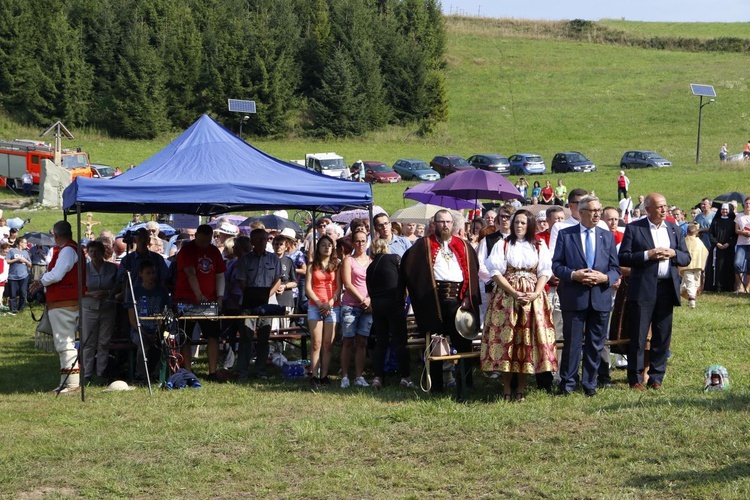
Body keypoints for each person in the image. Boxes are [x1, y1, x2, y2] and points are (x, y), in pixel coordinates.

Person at [401, 209, 481, 394]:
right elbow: (409, 268)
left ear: (453, 224)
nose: (445, 225)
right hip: (433, 300)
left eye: (448, 222)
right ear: (434, 224)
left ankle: (465, 384)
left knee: (463, 342)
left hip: (459, 302)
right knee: (434, 343)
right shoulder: (423, 245)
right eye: (441, 221)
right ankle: (436, 386)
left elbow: (472, 273)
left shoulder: (463, 245)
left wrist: (468, 295)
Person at [481, 209, 556, 401]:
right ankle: (507, 388)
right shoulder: (503, 244)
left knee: (527, 342)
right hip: (507, 298)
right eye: (516, 223)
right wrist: (514, 292)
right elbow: (496, 272)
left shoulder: (539, 245)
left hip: (533, 298)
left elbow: (544, 272)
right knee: (509, 341)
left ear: (529, 225)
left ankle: (521, 388)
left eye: (523, 223)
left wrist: (535, 293)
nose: (519, 226)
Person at [618, 193, 690, 390]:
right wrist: (647, 255)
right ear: (647, 209)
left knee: (662, 335)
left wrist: (673, 253)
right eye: (659, 207)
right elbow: (623, 257)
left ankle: (656, 377)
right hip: (643, 289)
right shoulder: (635, 228)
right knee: (639, 335)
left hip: (667, 288)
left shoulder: (674, 229)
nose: (664, 210)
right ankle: (635, 378)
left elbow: (686, 258)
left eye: (665, 206)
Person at [552, 196, 621, 397]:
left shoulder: (606, 236)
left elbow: (615, 268)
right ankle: (568, 383)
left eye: (599, 210)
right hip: (575, 296)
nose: (597, 214)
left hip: (600, 297)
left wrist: (604, 277)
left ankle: (590, 383)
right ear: (581, 213)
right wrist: (574, 275)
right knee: (572, 342)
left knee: (595, 343)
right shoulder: (566, 235)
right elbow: (556, 265)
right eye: (593, 211)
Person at [29, 221, 85, 395]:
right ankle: (66, 383)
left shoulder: (68, 250)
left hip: (65, 302)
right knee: (63, 343)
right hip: (66, 302)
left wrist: (40, 281)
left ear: (56, 235)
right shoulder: (70, 248)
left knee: (65, 342)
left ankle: (72, 384)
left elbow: (58, 274)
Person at [174, 224, 226, 382]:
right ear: (195, 236)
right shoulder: (187, 250)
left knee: (212, 336)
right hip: (186, 300)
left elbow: (219, 274)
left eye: (207, 241)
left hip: (209, 302)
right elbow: (190, 273)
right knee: (186, 337)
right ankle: (188, 371)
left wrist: (220, 296)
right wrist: (197, 293)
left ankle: (212, 372)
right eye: (202, 240)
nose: (204, 244)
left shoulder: (214, 251)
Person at [235, 228, 282, 381]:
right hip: (248, 303)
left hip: (267, 303)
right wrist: (251, 295)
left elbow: (278, 280)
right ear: (253, 241)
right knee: (246, 337)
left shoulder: (274, 259)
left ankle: (260, 370)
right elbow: (241, 280)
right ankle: (242, 371)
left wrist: (266, 295)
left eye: (266, 239)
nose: (264, 242)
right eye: (260, 239)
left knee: (264, 337)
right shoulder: (244, 260)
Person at [367, 239, 411, 389]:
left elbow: (370, 289)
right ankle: (405, 377)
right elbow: (404, 278)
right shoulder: (394, 258)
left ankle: (377, 377)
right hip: (394, 302)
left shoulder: (370, 267)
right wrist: (404, 297)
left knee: (381, 341)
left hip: (378, 305)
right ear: (386, 247)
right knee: (400, 341)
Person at [305, 235, 341, 387]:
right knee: (316, 343)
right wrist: (319, 303)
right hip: (315, 305)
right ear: (318, 248)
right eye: (323, 245)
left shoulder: (337, 265)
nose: (327, 248)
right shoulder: (312, 265)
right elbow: (308, 287)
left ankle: (324, 375)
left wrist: (330, 303)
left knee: (328, 343)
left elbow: (339, 287)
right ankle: (314, 375)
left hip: (332, 306)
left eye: (329, 245)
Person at [126, 260, 171, 381]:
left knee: (164, 344)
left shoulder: (162, 292)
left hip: (157, 329)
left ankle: (157, 374)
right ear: (141, 274)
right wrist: (146, 334)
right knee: (143, 344)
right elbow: (132, 320)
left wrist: (157, 332)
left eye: (153, 273)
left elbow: (165, 314)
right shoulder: (134, 291)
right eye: (148, 273)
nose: (151, 276)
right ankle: (141, 375)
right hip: (139, 330)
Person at [81, 239, 117, 385]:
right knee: (88, 342)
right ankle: (87, 373)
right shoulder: (83, 269)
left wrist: (106, 292)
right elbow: (79, 288)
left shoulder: (112, 268)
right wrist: (91, 294)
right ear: (88, 253)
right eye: (91, 251)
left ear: (103, 252)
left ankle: (101, 372)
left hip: (107, 308)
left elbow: (117, 287)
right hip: (89, 308)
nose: (94, 254)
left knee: (104, 342)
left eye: (97, 251)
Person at [339, 228, 372, 388]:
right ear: (352, 243)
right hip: (351, 306)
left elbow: (373, 284)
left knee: (362, 341)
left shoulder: (371, 261)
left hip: (367, 307)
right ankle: (345, 375)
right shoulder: (348, 260)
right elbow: (347, 284)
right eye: (357, 241)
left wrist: (369, 300)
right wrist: (362, 300)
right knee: (347, 341)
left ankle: (359, 376)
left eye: (363, 241)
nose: (360, 244)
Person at [705, 203, 736, 292]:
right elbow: (711, 234)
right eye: (723, 209)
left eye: (726, 210)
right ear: (720, 210)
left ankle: (728, 287)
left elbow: (735, 236)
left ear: (729, 210)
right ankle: (717, 286)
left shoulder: (732, 222)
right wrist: (717, 243)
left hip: (728, 249)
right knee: (717, 267)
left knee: (728, 267)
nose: (724, 211)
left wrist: (728, 244)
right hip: (717, 248)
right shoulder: (716, 221)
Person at [681, 223, 709, 308]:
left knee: (689, 282)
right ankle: (691, 298)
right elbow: (705, 251)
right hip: (698, 265)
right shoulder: (699, 242)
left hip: (687, 266)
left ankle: (691, 297)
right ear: (696, 232)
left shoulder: (684, 241)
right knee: (693, 282)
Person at [6, 237, 31, 314]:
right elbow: (7, 261)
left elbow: (30, 264)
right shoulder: (12, 251)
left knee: (23, 293)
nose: (26, 244)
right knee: (13, 294)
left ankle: (21, 309)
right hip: (13, 276)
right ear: (20, 243)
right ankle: (13, 310)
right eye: (25, 243)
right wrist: (16, 259)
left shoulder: (26, 253)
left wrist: (25, 260)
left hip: (24, 276)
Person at [733, 197, 750, 293]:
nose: (748, 205)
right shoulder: (739, 216)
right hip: (741, 243)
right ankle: (740, 286)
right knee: (737, 264)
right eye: (746, 203)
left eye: (749, 203)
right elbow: (736, 230)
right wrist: (743, 233)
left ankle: (747, 287)